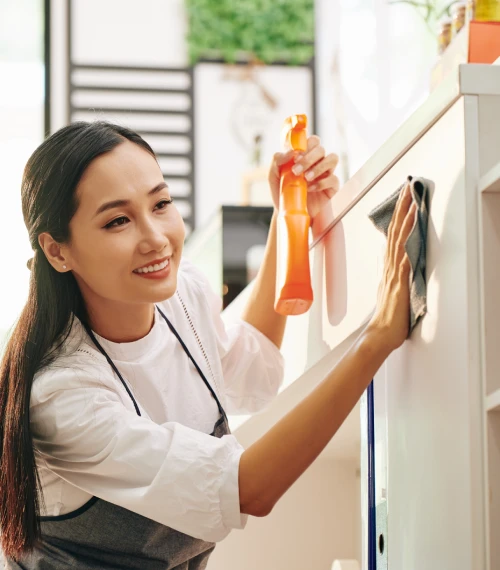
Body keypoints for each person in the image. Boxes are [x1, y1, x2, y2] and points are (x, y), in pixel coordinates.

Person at [0, 121, 415, 569]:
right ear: (58, 251)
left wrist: (289, 214)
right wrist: (376, 339)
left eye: (160, 203)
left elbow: (250, 363)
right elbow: (248, 489)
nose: (156, 238)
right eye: (118, 220)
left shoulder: (183, 294)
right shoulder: (63, 396)